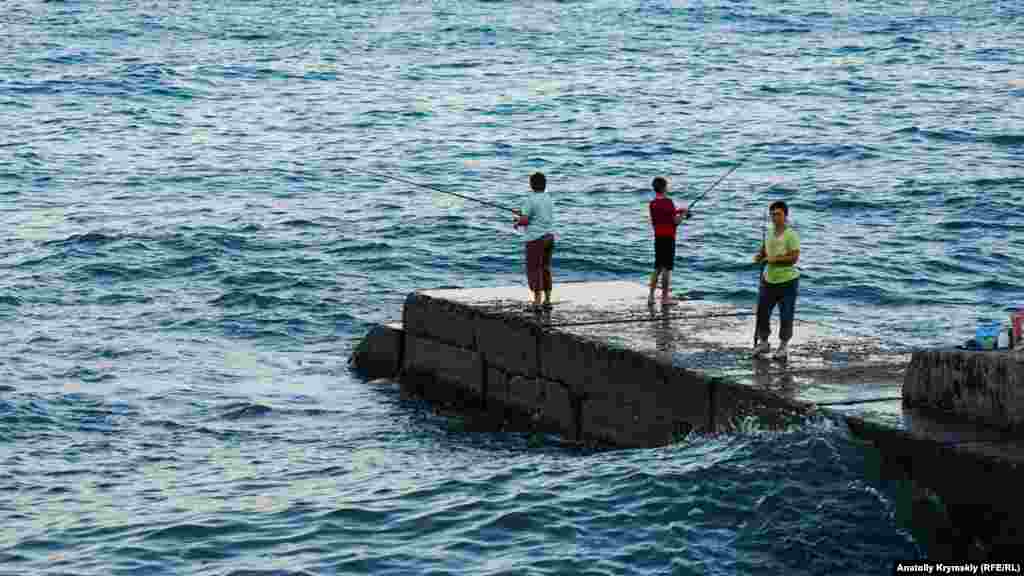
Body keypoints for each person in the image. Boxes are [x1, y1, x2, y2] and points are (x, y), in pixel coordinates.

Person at [752, 200, 800, 360]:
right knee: (762, 312)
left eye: (778, 214)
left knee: (786, 314)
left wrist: (775, 260)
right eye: (772, 214)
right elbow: (765, 251)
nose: (775, 217)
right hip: (768, 280)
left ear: (785, 215)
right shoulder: (769, 232)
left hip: (788, 282)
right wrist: (760, 256)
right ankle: (764, 342)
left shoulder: (791, 235)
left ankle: (783, 347)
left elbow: (794, 258)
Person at [513, 172, 555, 307]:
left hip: (535, 239)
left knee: (534, 269)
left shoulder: (530, 200)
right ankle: (547, 300)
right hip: (549, 237)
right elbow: (539, 215)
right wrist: (523, 214)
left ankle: (536, 302)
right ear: (544, 184)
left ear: (531, 185)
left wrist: (517, 222)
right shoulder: (549, 198)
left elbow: (525, 220)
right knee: (545, 268)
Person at [648, 176, 688, 305]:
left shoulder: (652, 204)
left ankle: (651, 296)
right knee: (666, 269)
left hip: (658, 238)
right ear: (665, 187)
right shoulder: (668, 202)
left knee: (657, 268)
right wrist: (683, 214)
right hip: (668, 238)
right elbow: (675, 222)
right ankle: (665, 299)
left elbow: (663, 215)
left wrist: (678, 211)